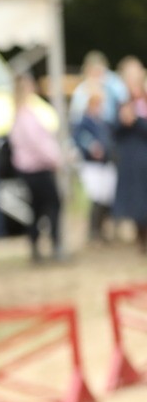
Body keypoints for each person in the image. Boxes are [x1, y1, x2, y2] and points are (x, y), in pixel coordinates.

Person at [8, 74, 64, 262]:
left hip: (28, 169)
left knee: (37, 209)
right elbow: (38, 144)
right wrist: (55, 159)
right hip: (37, 168)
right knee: (52, 205)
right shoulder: (26, 116)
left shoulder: (19, 114)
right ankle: (55, 245)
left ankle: (36, 246)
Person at [112, 56, 147, 253]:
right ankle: (141, 237)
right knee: (136, 200)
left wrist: (136, 121)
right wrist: (123, 121)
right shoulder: (122, 102)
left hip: (144, 155)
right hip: (130, 158)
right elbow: (113, 131)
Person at [73, 89, 117, 244]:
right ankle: (93, 231)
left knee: (105, 198)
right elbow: (79, 139)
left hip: (105, 164)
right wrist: (91, 147)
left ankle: (101, 229)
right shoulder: (83, 123)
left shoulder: (103, 123)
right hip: (91, 165)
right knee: (95, 197)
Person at [69, 50, 128, 126]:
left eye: (99, 70)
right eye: (93, 71)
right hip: (88, 126)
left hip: (112, 125)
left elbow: (124, 97)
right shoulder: (81, 90)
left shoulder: (112, 82)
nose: (96, 74)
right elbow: (76, 118)